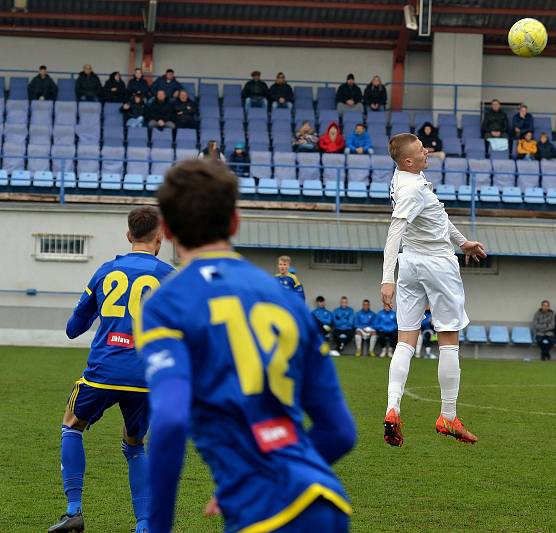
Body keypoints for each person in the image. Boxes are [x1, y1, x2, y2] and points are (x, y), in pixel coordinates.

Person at [138, 159, 356, 532]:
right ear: (235, 222)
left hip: (265, 515)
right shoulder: (283, 298)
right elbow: (339, 432)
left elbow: (171, 420)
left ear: (168, 231)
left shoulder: (166, 303)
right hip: (327, 505)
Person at [47, 207, 174, 533]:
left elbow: (73, 329)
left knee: (71, 426)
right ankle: (144, 525)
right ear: (159, 237)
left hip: (104, 370)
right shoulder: (170, 277)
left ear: (129, 235)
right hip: (145, 376)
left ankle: (73, 511)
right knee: (134, 445)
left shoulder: (106, 271)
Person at [381, 133, 487, 447]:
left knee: (406, 339)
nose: (427, 151)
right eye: (420, 150)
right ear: (409, 160)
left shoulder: (405, 177)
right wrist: (386, 279)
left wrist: (462, 242)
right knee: (449, 339)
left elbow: (436, 214)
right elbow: (394, 231)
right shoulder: (413, 187)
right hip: (436, 264)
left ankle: (392, 407)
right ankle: (448, 416)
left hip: (411, 264)